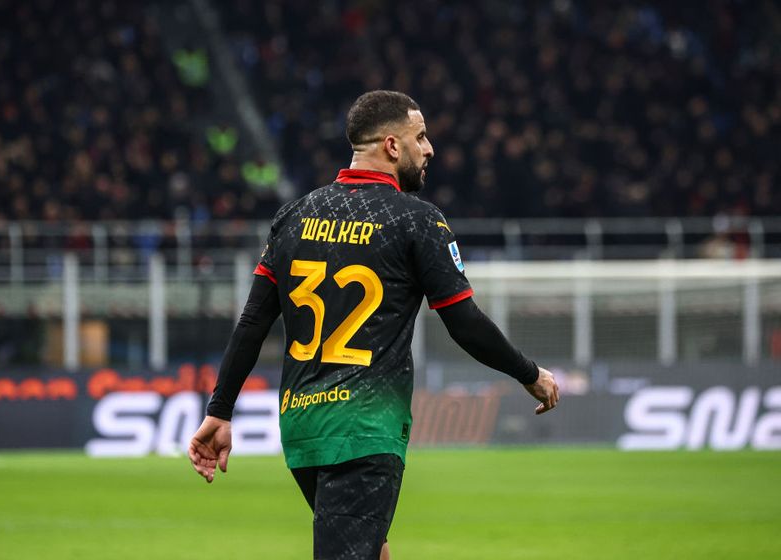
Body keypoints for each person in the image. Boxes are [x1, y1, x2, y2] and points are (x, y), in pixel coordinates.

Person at [189, 90, 560, 559]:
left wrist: (220, 409)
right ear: (391, 146)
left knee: (372, 552)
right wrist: (530, 373)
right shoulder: (417, 221)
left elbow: (252, 323)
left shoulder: (294, 215)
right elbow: (463, 322)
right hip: (364, 430)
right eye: (421, 137)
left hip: (303, 427)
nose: (430, 149)